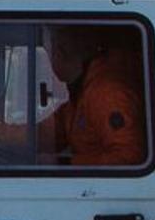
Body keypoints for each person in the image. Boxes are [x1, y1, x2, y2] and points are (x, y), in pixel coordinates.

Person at [53, 28, 148, 167]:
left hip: (111, 188)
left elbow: (129, 156)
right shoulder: (81, 94)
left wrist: (66, 164)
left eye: (50, 52)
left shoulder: (106, 93)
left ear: (60, 52)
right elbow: (50, 132)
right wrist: (11, 137)